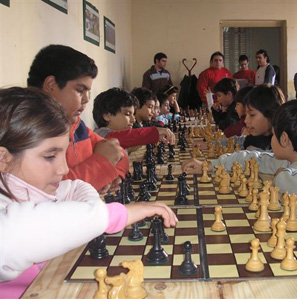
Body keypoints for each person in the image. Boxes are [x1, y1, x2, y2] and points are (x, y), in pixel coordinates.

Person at [0, 87, 178, 298]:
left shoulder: (32, 190)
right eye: (49, 156)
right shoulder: (10, 226)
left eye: (63, 153)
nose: (63, 169)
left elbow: (75, 186)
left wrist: (92, 209)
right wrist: (116, 215)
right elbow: (17, 233)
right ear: (4, 158)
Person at [183, 99, 297, 214]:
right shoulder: (289, 157)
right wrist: (209, 165)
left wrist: (281, 177)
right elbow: (253, 159)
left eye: (274, 135)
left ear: (284, 139)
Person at [27, 44, 128, 192]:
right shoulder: (27, 132)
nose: (86, 100)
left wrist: (114, 175)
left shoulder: (78, 127)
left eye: (88, 92)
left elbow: (117, 152)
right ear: (50, 85)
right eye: (80, 91)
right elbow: (47, 193)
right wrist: (101, 166)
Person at [92, 88, 175, 148]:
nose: (133, 119)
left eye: (133, 114)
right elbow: (120, 138)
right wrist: (153, 133)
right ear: (107, 115)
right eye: (127, 114)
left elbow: (128, 144)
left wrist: (148, 140)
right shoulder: (100, 135)